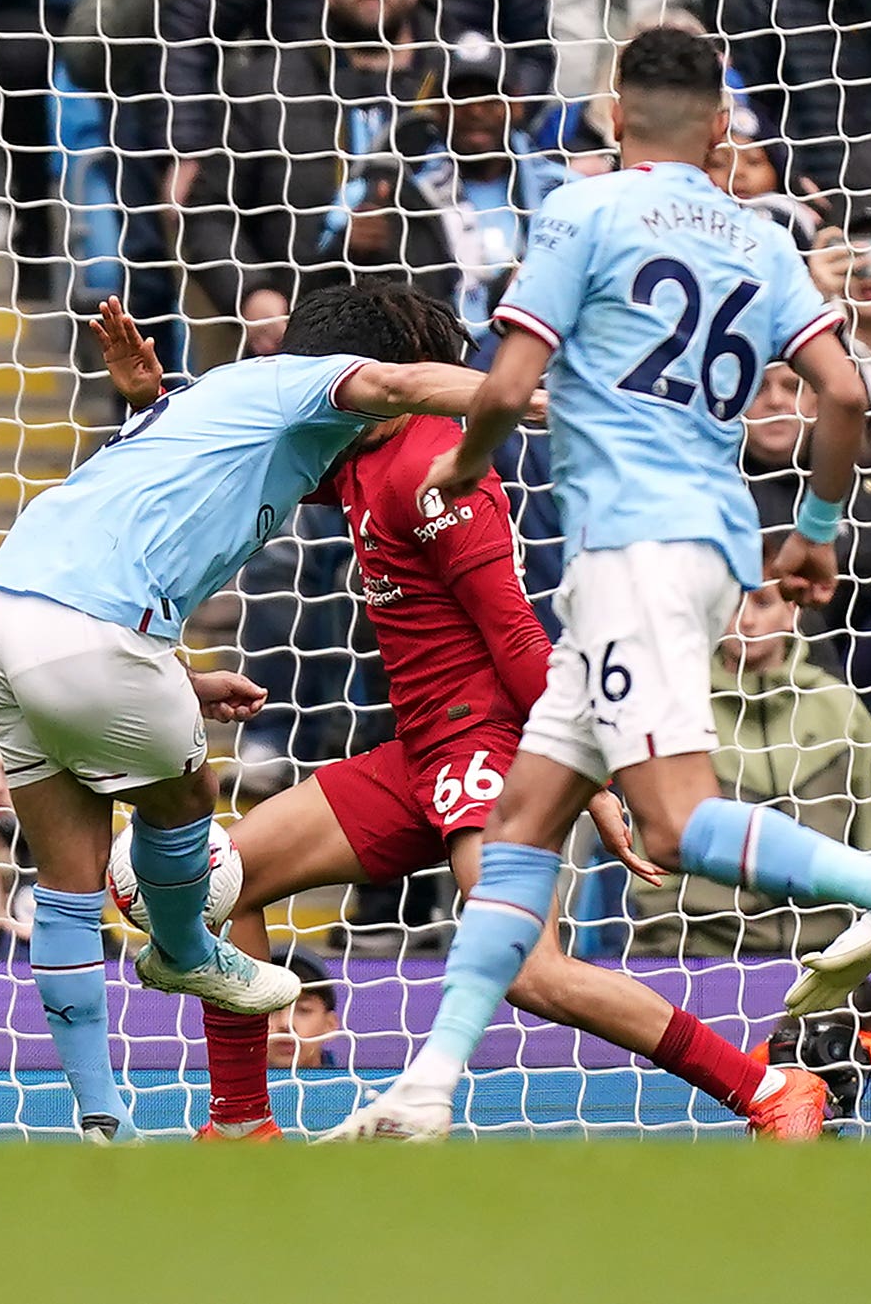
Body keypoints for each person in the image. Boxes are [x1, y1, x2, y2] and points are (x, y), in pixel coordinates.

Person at [329, 27, 871, 1139]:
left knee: (678, 819)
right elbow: (840, 392)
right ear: (719, 122)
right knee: (521, 819)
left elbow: (505, 381)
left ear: (612, 108)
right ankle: (425, 1087)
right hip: (704, 538)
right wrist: (821, 531)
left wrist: (460, 455)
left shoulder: (583, 210)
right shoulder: (759, 235)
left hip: (630, 546)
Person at [47, 314, 823, 1140]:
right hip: (420, 753)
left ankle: (769, 1089)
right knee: (217, 883)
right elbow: (235, 459)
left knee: (531, 971)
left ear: (384, 372)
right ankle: (242, 1126)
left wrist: (589, 774)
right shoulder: (355, 446)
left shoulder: (432, 467)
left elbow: (517, 633)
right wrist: (157, 400)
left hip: (486, 747)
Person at [0, 281, 515, 1135]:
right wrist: (543, 399)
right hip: (91, 630)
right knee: (184, 797)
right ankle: (185, 948)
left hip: (2, 617)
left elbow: (165, 494)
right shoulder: (308, 383)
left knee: (68, 891)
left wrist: (150, 396)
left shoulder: (239, 414)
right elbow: (406, 389)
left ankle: (102, 1126)